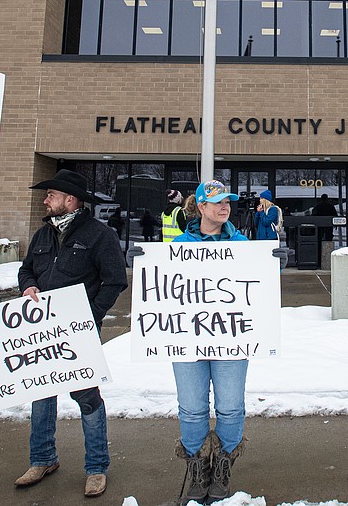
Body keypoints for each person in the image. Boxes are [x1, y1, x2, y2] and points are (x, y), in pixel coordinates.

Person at [132, 181, 287, 505]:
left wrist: (274, 265)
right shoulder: (178, 244)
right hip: (187, 340)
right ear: (201, 207)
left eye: (228, 201)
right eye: (217, 202)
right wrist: (143, 262)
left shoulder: (243, 243)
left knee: (230, 407)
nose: (225, 206)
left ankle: (223, 466)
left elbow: (256, 287)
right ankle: (198, 465)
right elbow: (162, 285)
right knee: (191, 408)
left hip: (231, 339)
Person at [16, 169, 128, 497]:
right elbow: (26, 269)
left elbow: (115, 280)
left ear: (70, 200)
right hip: (41, 333)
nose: (45, 199)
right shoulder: (43, 235)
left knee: (87, 399)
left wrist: (90, 316)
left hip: (78, 334)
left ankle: (96, 467)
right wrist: (29, 285)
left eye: (51, 194)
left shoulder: (97, 235)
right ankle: (42, 459)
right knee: (41, 395)